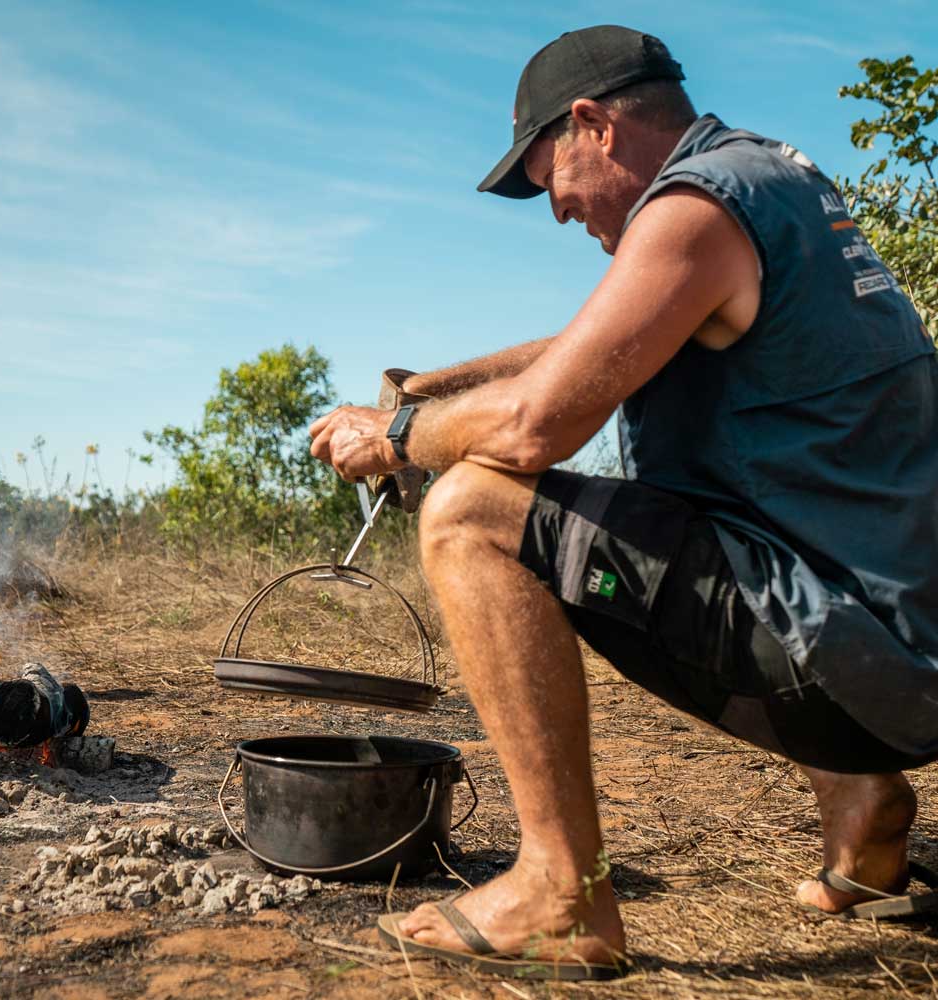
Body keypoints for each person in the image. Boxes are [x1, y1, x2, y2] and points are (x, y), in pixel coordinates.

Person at [309, 24, 938, 980]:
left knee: (472, 509)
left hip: (858, 658)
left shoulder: (694, 211)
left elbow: (532, 428)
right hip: (899, 643)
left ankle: (561, 890)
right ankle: (864, 807)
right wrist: (426, 389)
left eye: (544, 178)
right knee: (733, 516)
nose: (555, 212)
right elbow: (589, 342)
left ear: (593, 124)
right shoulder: (766, 181)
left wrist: (397, 440)